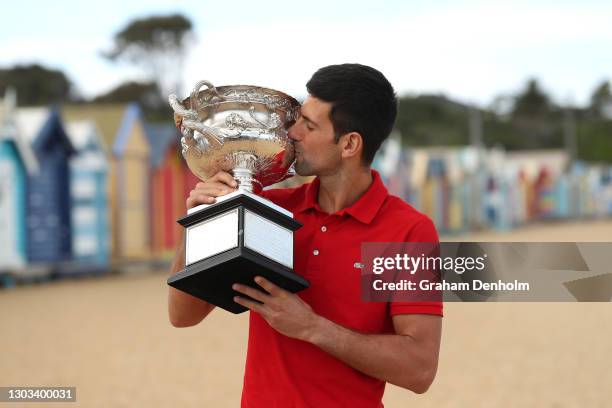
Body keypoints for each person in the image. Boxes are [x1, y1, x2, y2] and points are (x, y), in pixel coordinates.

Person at [168, 63, 442, 408]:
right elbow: (183, 316)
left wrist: (312, 327)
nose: (292, 132)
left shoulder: (407, 231)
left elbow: (419, 370)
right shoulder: (269, 208)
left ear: (349, 144)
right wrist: (199, 219)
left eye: (308, 125)